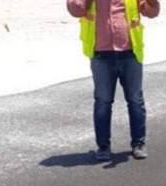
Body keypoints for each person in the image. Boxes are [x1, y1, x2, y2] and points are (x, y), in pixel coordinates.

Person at [67, 0, 160, 161]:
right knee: (102, 101)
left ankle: (138, 143)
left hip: (130, 52)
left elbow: (151, 12)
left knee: (135, 100)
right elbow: (75, 10)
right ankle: (103, 146)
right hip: (101, 54)